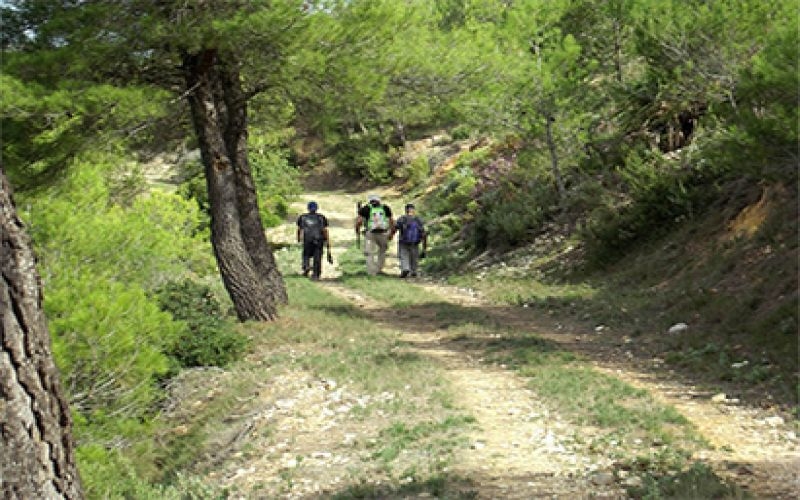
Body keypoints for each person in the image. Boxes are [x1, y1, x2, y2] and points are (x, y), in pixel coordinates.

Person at [355, 194, 394, 276]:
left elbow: (359, 222)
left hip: (370, 233)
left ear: (370, 201)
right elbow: (391, 221)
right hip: (383, 233)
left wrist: (358, 230)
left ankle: (371, 272)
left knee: (369, 253)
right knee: (382, 251)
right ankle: (379, 269)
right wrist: (391, 233)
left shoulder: (366, 208)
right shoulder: (385, 208)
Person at [296, 201, 331, 281]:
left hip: (307, 239)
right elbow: (324, 230)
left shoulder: (302, 217)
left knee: (306, 254)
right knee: (317, 256)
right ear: (316, 208)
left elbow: (299, 229)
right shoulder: (321, 217)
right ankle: (316, 274)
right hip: (319, 239)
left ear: (308, 208)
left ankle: (306, 266)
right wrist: (327, 241)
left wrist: (298, 238)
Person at [393, 203, 427, 278]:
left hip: (403, 241)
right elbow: (424, 233)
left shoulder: (402, 218)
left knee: (403, 256)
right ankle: (414, 271)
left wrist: (390, 235)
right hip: (415, 242)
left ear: (406, 210)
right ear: (413, 210)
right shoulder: (418, 219)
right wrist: (424, 248)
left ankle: (405, 268)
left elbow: (395, 228)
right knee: (414, 257)